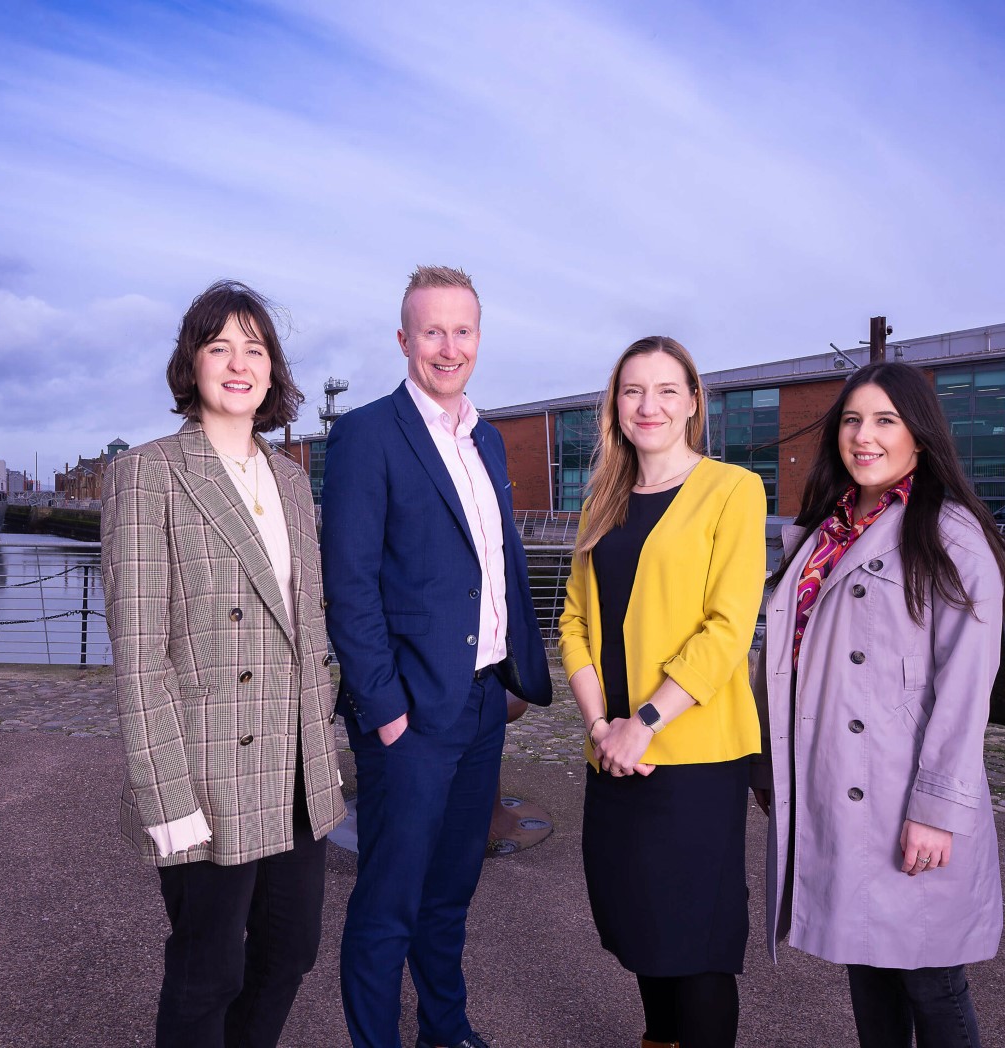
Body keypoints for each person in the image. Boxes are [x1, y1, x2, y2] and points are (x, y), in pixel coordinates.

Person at [101, 280, 345, 1048]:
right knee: (208, 971)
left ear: (273, 370)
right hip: (208, 770)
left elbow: (308, 625)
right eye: (219, 347)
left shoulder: (295, 482)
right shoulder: (148, 474)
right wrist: (165, 798)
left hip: (298, 767)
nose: (239, 363)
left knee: (290, 952)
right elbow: (139, 656)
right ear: (192, 364)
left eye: (255, 348)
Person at [320, 265, 553, 1048]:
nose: (447, 347)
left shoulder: (484, 436)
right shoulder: (365, 435)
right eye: (431, 332)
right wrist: (383, 712)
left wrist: (518, 664)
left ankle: (445, 1032)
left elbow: (494, 562)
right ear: (403, 340)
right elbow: (348, 587)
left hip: (484, 701)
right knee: (390, 902)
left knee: (452, 892)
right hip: (410, 715)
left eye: (462, 331)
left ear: (478, 340)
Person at [753, 361, 1005, 1048]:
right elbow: (785, 661)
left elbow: (965, 690)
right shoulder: (825, 531)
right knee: (865, 962)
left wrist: (935, 809)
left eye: (885, 421)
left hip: (902, 793)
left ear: (920, 437)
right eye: (852, 420)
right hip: (839, 783)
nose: (864, 437)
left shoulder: (953, 537)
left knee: (930, 977)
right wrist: (770, 766)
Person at [558, 336, 767, 1048]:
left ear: (693, 404)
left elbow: (728, 627)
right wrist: (600, 728)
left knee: (696, 942)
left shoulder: (733, 490)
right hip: (614, 752)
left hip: (695, 755)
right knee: (640, 923)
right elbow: (575, 622)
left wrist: (643, 721)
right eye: (633, 390)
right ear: (614, 406)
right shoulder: (602, 501)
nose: (649, 405)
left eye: (667, 390)